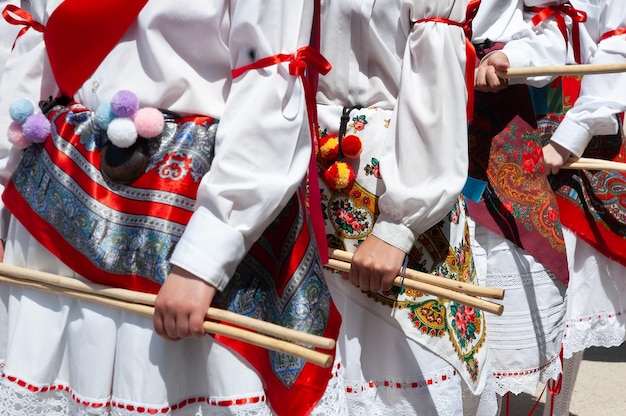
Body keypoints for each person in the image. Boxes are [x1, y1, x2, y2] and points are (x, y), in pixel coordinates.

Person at [0, 1, 341, 415]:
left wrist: (202, 261)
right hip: (47, 216)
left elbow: (268, 88)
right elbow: (30, 51)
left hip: (185, 222)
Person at [313, 1, 493, 415]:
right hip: (302, 185)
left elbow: (436, 86)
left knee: (389, 376)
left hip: (391, 176)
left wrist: (396, 228)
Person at [465, 1, 585, 412]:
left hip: (501, 131)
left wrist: (508, 57)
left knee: (518, 318)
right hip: (404, 117)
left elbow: (551, 33)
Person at [539, 1, 626, 414]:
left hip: (574, 152)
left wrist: (571, 133)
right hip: (486, 134)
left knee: (565, 296)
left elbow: (617, 49)